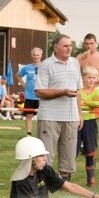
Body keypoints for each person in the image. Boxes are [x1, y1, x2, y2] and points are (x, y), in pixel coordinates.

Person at [35, 34, 83, 181]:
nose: (69, 48)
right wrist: (62, 92)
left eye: (70, 45)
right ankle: (44, 181)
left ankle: (65, 182)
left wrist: (80, 115)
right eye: (65, 46)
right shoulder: (46, 64)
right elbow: (40, 91)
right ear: (56, 47)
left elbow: (79, 91)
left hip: (71, 118)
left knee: (69, 154)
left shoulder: (75, 63)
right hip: (50, 117)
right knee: (46, 153)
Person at [77, 66, 99, 187]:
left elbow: (98, 103)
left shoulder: (97, 91)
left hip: (91, 123)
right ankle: (67, 177)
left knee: (90, 150)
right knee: (73, 149)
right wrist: (85, 104)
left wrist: (83, 102)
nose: (92, 80)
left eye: (94, 78)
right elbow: (75, 103)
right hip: (77, 122)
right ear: (83, 78)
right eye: (89, 77)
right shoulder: (79, 90)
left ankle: (91, 178)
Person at [76, 33, 99, 98]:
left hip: (97, 88)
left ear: (96, 43)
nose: (89, 46)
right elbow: (73, 72)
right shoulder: (79, 57)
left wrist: (98, 79)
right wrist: (81, 58)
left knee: (96, 107)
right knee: (81, 108)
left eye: (91, 43)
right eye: (87, 44)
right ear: (84, 44)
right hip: (83, 89)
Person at [16, 47, 43, 135]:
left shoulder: (45, 66)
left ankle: (42, 133)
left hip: (41, 96)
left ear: (41, 56)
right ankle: (29, 134)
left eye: (38, 55)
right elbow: (17, 75)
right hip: (29, 95)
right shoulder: (27, 67)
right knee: (29, 115)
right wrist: (24, 84)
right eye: (34, 55)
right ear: (32, 56)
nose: (36, 57)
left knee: (42, 116)